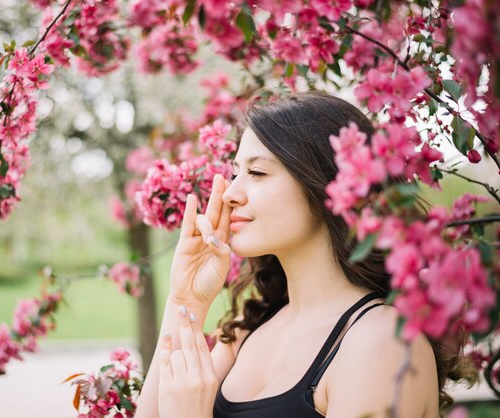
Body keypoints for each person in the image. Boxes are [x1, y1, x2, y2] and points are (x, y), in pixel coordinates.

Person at [134, 92, 468, 418]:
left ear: (326, 184)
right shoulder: (245, 334)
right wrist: (186, 299)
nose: (232, 193)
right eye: (237, 172)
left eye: (257, 173)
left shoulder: (382, 342)